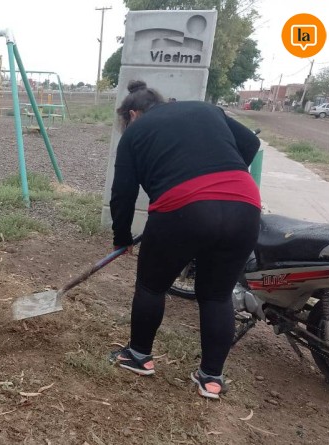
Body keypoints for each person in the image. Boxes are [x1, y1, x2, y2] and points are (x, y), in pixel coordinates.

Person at [108, 80, 261, 400]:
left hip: (183, 208)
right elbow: (250, 142)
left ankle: (138, 355)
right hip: (245, 205)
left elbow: (123, 193)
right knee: (217, 295)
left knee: (152, 286)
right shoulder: (206, 110)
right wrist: (225, 174)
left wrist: (121, 238)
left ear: (132, 114)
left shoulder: (135, 132)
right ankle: (211, 378)